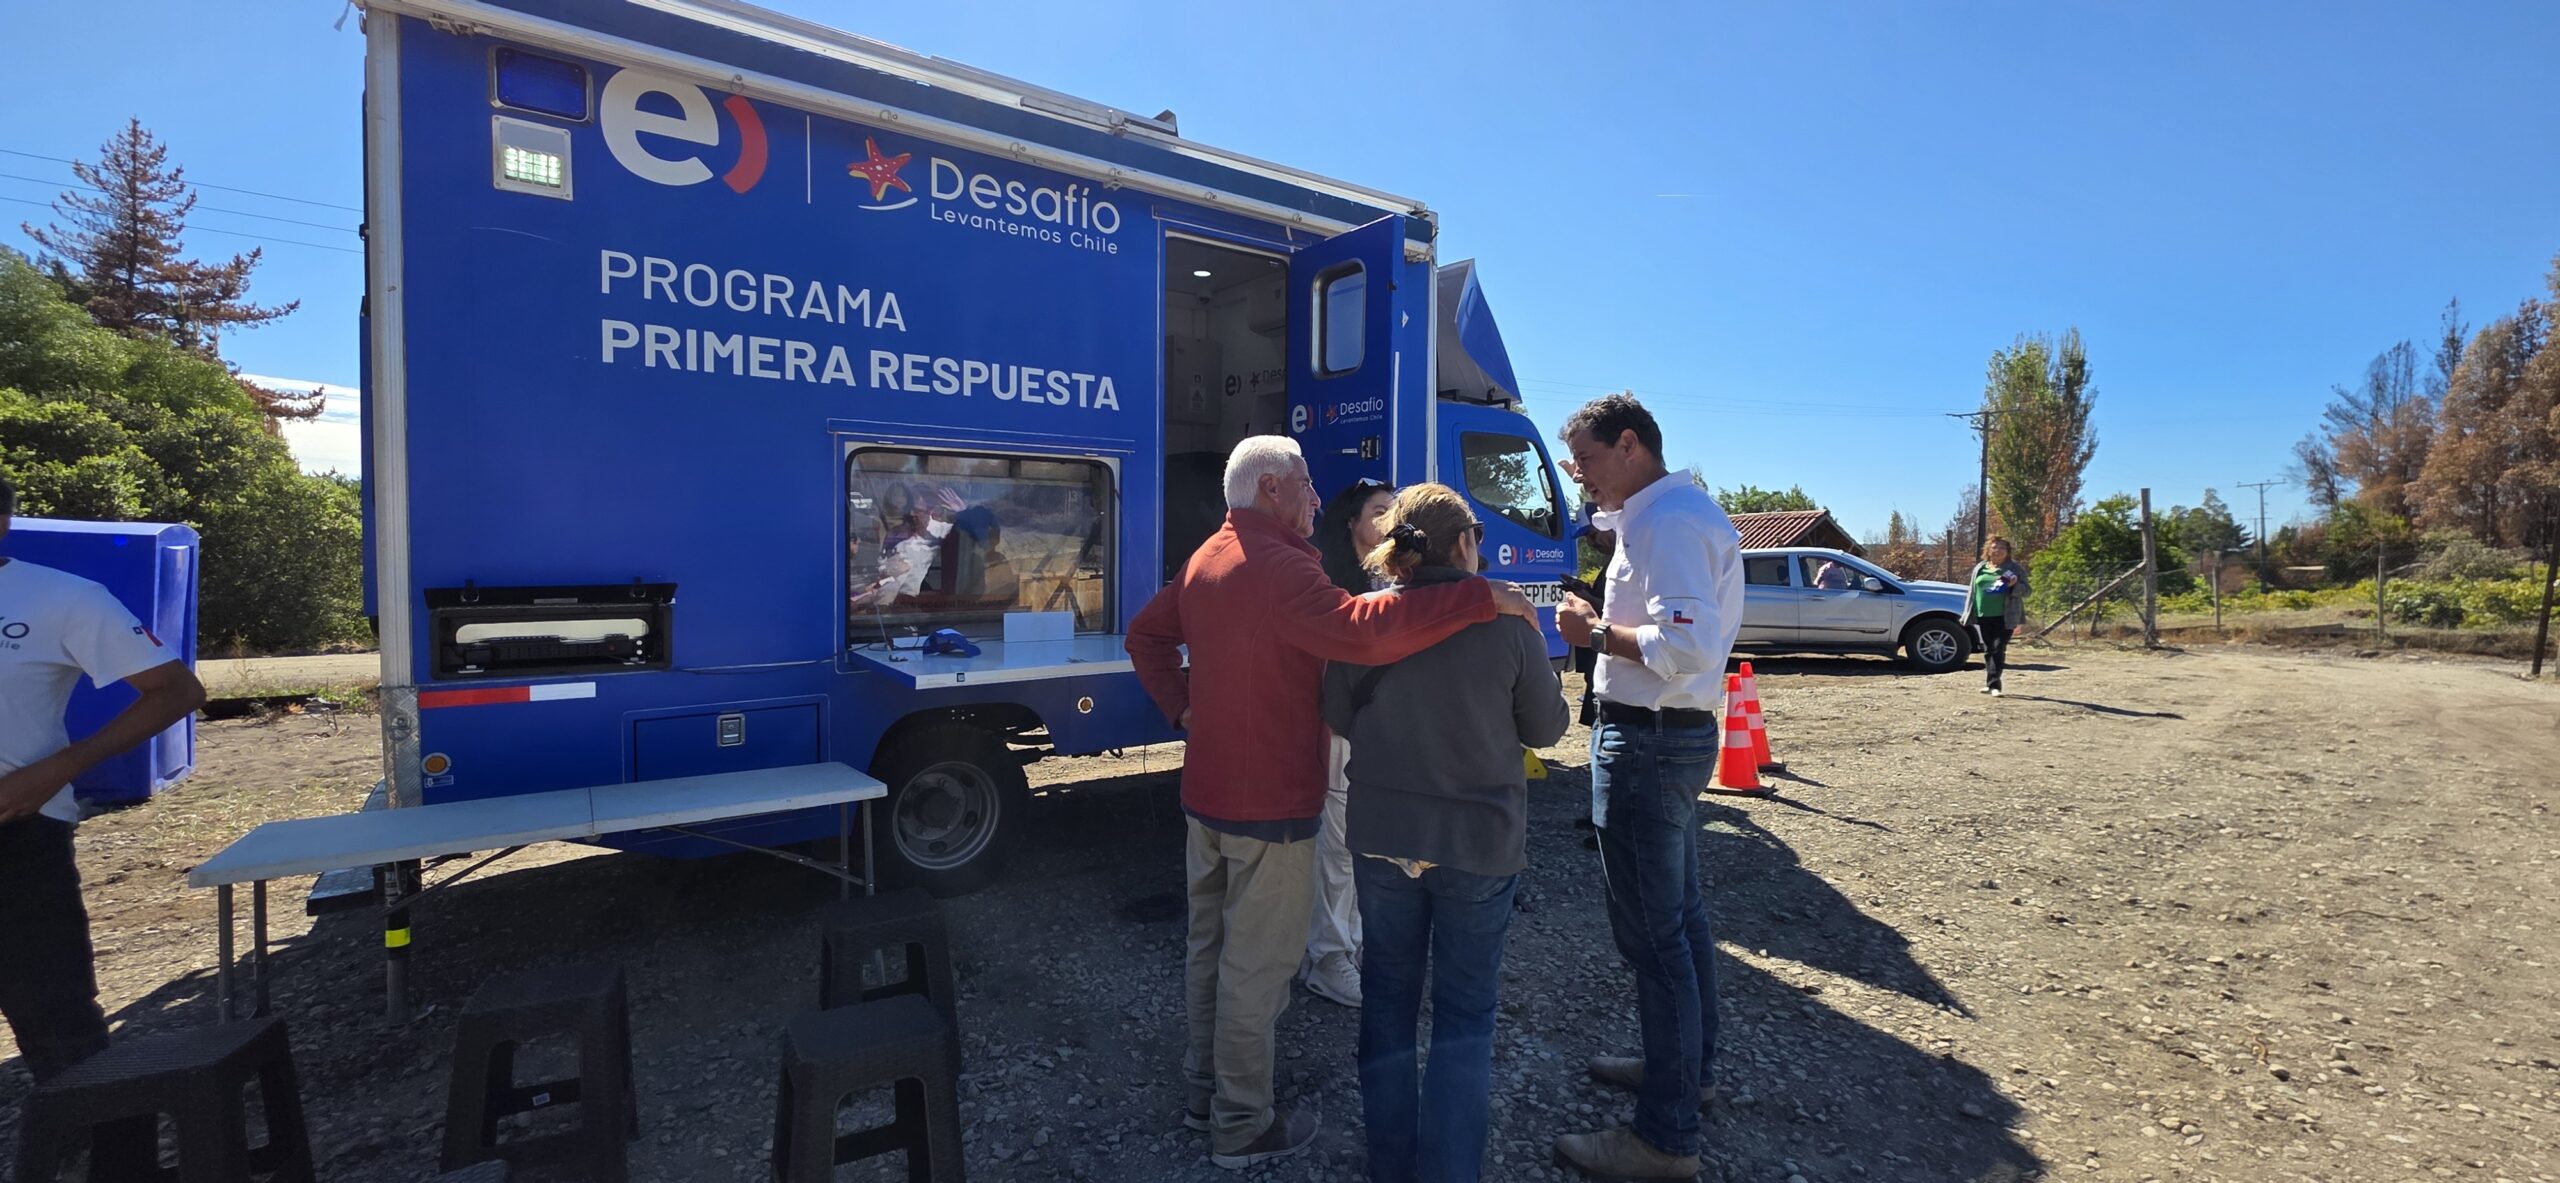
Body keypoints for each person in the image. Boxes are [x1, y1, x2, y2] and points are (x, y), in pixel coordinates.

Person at [1127, 438, 1535, 1170]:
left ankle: (1204, 1095)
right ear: (1274, 487)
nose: (1319, 500)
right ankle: (1242, 1124)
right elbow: (1363, 631)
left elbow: (1145, 635)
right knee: (1258, 966)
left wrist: (1184, 710)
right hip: (1271, 799)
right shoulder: (1282, 567)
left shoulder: (1207, 557)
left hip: (1207, 795)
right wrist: (1478, 597)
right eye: (1309, 485)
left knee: (1209, 952)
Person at [1320, 484, 1569, 1183]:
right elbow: (1546, 730)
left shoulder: (1361, 619)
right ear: (1463, 544)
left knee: (1388, 1001)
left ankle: (1389, 1166)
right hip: (1478, 844)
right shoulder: (1509, 622)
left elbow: (1339, 712)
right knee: (1465, 1017)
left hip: (1381, 833)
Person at [1549, 395, 1744, 1180]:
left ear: (1630, 445)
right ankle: (1688, 1076)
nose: (1580, 476)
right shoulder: (1665, 515)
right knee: (1682, 920)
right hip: (1667, 737)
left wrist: (1592, 631)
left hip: (1649, 741)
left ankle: (1664, 1138)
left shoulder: (1668, 524)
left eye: (1587, 459)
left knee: (1655, 938)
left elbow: (1687, 645)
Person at [0, 474, 208, 1097]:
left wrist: (59, 769)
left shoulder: (60, 597)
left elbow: (178, 691)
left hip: (16, 834)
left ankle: (109, 1153)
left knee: (57, 1023)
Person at [1303, 477, 1398, 1008]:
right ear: (1352, 523)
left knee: (1375, 845)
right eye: (1380, 510)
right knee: (1338, 846)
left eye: (1396, 510)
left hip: (1390, 731)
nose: (1389, 520)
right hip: (1342, 728)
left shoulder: (1406, 580)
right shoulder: (1327, 580)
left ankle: (1354, 943)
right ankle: (1327, 957)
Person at [1962, 537, 2029, 696]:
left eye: (2002, 548)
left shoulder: (2014, 569)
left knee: (1998, 648)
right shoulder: (1980, 567)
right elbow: (1973, 591)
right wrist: (1968, 612)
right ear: (1988, 550)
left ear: (2007, 552)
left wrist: (2014, 586)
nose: (1998, 551)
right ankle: (1989, 683)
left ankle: (1995, 686)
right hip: (1983, 614)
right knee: (1988, 649)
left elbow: (2027, 591)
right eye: (1995, 547)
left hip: (2005, 616)